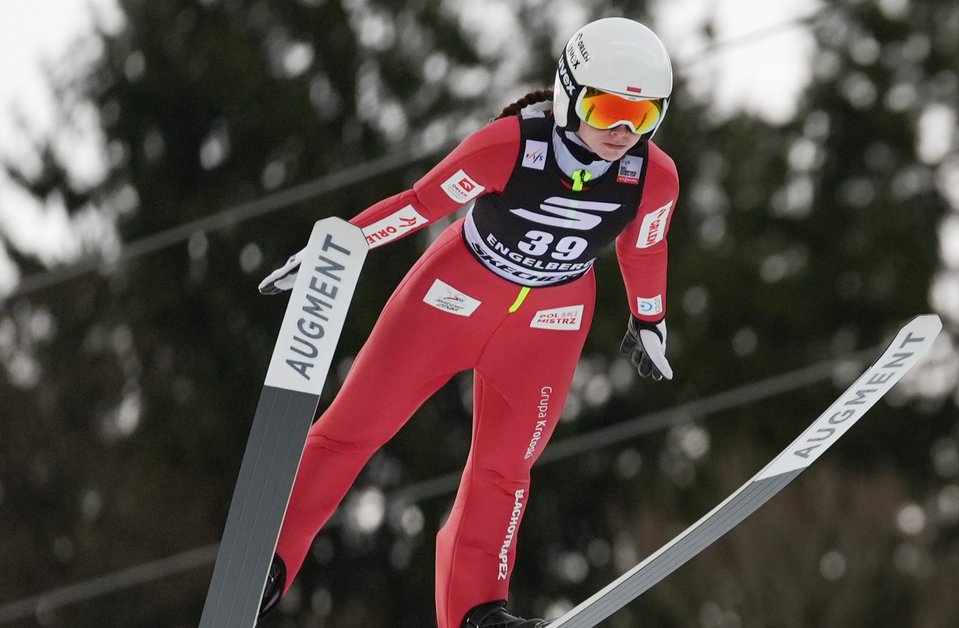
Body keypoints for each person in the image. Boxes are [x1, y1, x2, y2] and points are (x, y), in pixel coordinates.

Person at [254, 16, 679, 628]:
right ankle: (270, 554)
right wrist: (339, 249)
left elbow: (645, 248)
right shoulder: (508, 145)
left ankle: (477, 612)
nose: (620, 131)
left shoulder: (654, 178)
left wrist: (649, 321)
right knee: (354, 426)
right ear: (569, 93)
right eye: (609, 107)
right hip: (454, 292)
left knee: (504, 470)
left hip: (550, 323)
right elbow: (420, 204)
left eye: (641, 117)